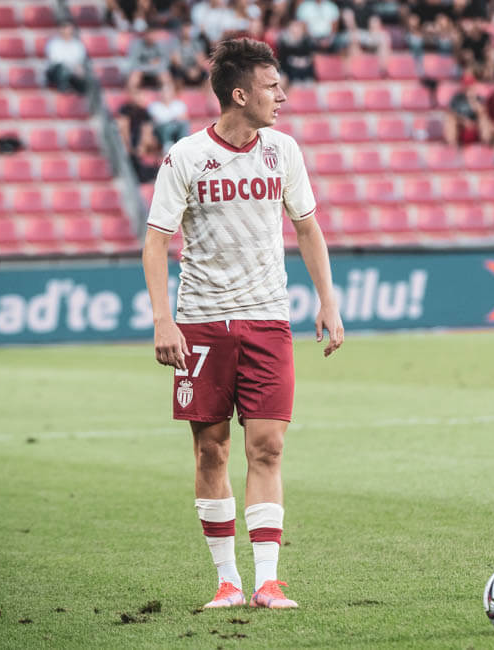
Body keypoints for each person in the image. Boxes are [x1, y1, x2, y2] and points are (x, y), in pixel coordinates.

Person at [141, 37, 343, 612]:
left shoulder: (283, 151)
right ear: (239, 94)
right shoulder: (186, 157)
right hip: (202, 323)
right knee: (211, 451)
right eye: (272, 87)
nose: (282, 96)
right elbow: (156, 243)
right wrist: (163, 320)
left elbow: (307, 228)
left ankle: (268, 582)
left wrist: (328, 301)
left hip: (267, 320)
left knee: (269, 446)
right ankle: (227, 581)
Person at [444, 74, 492, 147]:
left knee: (484, 119)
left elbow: (482, 112)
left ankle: (485, 143)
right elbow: (452, 113)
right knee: (450, 120)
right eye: (466, 85)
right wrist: (464, 121)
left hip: (476, 122)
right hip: (461, 122)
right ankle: (452, 145)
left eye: (470, 85)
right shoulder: (456, 98)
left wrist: (472, 100)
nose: (468, 87)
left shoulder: (478, 98)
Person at [45, 21, 89, 94]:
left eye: (69, 28)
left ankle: (81, 95)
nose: (67, 31)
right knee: (62, 70)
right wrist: (73, 67)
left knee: (86, 76)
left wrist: (79, 68)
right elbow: (56, 61)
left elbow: (80, 60)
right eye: (65, 28)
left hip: (73, 72)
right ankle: (63, 92)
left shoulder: (77, 44)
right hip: (56, 72)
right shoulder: (53, 43)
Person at [127, 27, 173, 92]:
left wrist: (155, 65)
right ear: (145, 35)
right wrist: (148, 65)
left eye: (153, 34)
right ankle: (134, 96)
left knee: (165, 76)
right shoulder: (136, 43)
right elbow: (133, 62)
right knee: (133, 78)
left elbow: (165, 61)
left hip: (157, 69)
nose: (151, 37)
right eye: (149, 34)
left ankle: (167, 95)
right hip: (140, 69)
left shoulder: (161, 44)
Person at [169, 20, 210, 89]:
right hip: (182, 69)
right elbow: (176, 62)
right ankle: (179, 93)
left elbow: (201, 60)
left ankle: (205, 93)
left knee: (206, 75)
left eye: (188, 29)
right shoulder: (176, 43)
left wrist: (196, 69)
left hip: (195, 69)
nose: (187, 32)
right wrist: (188, 70)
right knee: (176, 73)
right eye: (185, 29)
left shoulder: (197, 44)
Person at [148, 84, 190, 150]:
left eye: (168, 92)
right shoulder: (154, 105)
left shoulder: (179, 104)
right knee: (167, 127)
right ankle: (168, 147)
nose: (166, 94)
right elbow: (156, 121)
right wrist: (172, 119)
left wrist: (170, 119)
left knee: (184, 124)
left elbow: (184, 118)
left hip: (176, 128)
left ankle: (183, 146)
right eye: (164, 92)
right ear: (160, 93)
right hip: (161, 129)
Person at [117, 87, 155, 154]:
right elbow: (123, 127)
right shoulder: (126, 109)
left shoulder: (145, 112)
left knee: (148, 131)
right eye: (139, 96)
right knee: (122, 123)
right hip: (127, 140)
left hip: (139, 142)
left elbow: (147, 130)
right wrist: (128, 145)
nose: (142, 98)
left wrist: (141, 145)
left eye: (143, 96)